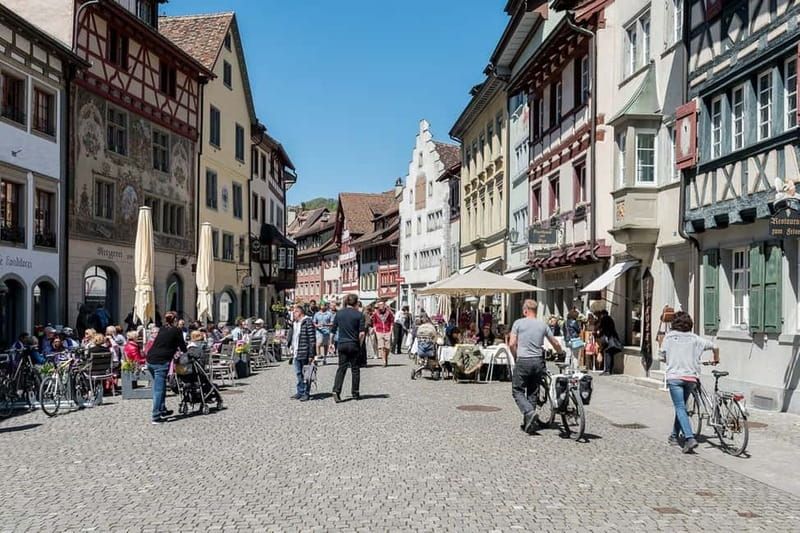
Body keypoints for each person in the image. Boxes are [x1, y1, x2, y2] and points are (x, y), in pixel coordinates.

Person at [660, 312, 719, 454]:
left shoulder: (669, 337)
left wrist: (670, 359)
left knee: (680, 407)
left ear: (674, 324)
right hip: (691, 378)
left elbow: (662, 356)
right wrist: (716, 358)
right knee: (681, 408)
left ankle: (689, 437)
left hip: (675, 377)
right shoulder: (695, 339)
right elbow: (715, 346)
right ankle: (674, 436)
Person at [509, 299, 562, 434]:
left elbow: (511, 343)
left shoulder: (518, 323)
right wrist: (561, 352)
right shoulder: (542, 325)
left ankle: (529, 412)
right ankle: (529, 424)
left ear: (526, 310)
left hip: (524, 360)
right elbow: (554, 341)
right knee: (533, 391)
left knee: (517, 390)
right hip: (538, 361)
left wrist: (515, 356)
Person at [146, 311, 186, 424]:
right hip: (161, 362)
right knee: (159, 389)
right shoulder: (177, 330)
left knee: (160, 386)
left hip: (150, 359)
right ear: (175, 320)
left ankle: (162, 409)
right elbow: (182, 347)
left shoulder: (163, 328)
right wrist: (187, 353)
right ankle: (155, 416)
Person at [330, 293, 366, 403]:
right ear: (356, 302)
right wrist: (359, 345)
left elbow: (333, 330)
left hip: (342, 344)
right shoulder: (359, 315)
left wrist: (331, 344)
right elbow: (362, 334)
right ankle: (355, 392)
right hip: (353, 344)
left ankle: (336, 390)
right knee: (355, 369)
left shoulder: (339, 314)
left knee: (341, 368)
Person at [290, 305, 316, 401]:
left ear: (299, 312)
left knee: (306, 374)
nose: (293, 314)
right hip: (296, 352)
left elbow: (312, 339)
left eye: (295, 312)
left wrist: (311, 354)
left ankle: (306, 392)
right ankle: (300, 391)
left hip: (304, 351)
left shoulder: (307, 322)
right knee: (298, 373)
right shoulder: (295, 323)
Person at [597, 310, 621, 375]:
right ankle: (610, 370)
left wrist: (599, 333)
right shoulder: (610, 319)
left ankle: (607, 370)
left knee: (607, 353)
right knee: (610, 354)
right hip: (612, 338)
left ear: (603, 314)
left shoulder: (604, 319)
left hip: (608, 338)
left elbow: (601, 328)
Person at [371, 301, 394, 367]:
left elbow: (392, 321)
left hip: (387, 330)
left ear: (384, 305)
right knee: (381, 347)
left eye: (382, 305)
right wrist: (375, 330)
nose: (380, 306)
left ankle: (386, 357)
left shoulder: (389, 313)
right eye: (379, 305)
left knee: (388, 347)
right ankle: (383, 361)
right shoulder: (376, 313)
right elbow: (374, 322)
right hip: (379, 331)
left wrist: (391, 330)